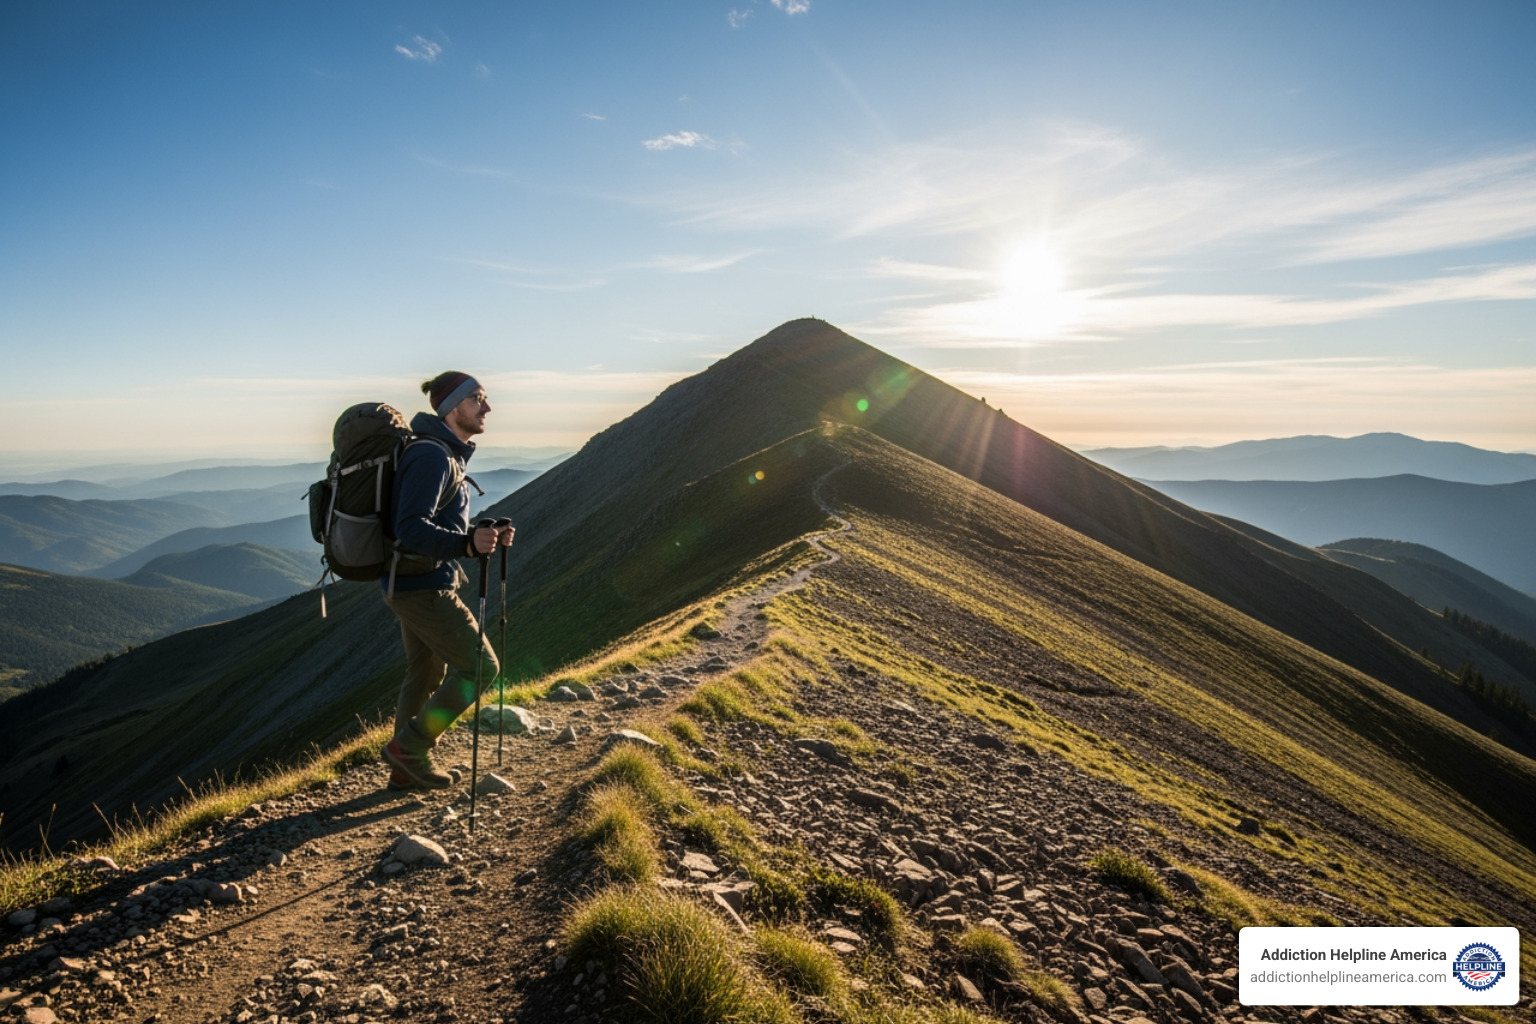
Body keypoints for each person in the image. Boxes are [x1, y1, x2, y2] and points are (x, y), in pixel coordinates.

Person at [381, 371, 513, 789]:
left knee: (424, 673)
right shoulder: (434, 456)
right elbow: (410, 527)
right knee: (480, 668)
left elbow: (435, 520)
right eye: (477, 398)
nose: (486, 407)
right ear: (452, 408)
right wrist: (468, 546)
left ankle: (404, 770)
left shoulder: (442, 453)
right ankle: (412, 748)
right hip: (422, 585)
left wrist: (480, 533)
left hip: (408, 581)